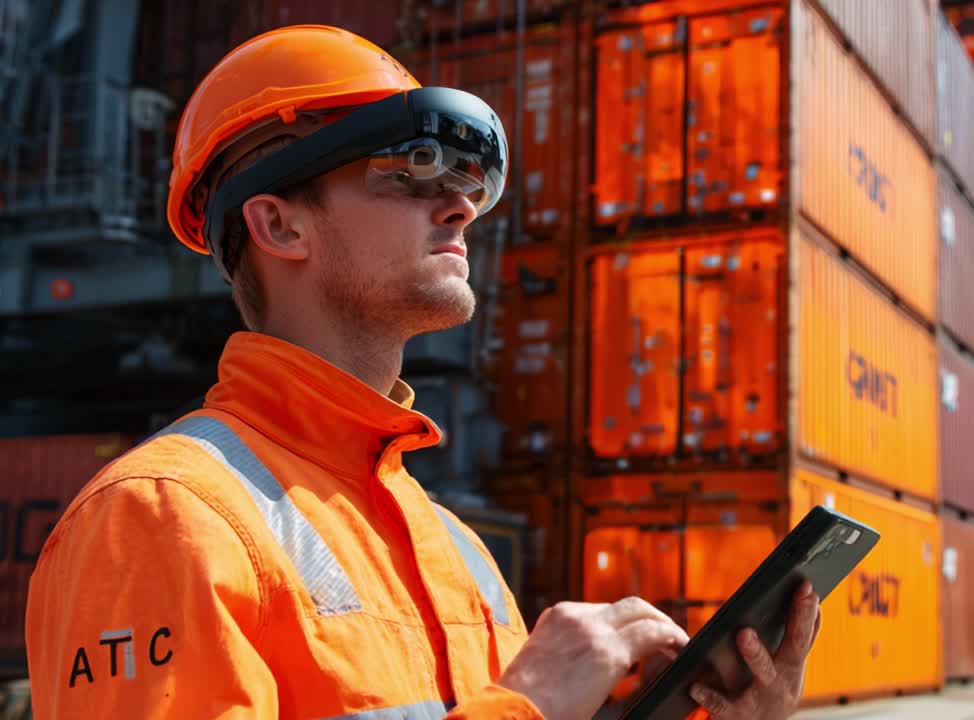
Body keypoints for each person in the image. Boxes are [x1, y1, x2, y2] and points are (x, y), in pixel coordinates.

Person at [24, 24, 820, 720]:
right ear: (279, 224)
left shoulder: (455, 549)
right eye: (409, 171)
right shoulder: (162, 518)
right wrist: (528, 705)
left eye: (465, 182)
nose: (460, 206)